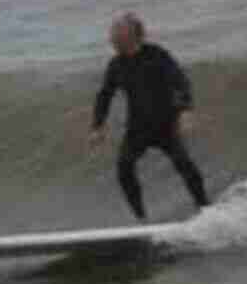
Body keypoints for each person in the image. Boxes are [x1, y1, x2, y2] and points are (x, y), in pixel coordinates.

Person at [89, 12, 209, 221]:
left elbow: (179, 81)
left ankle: (205, 209)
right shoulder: (116, 65)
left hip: (165, 125)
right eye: (112, 36)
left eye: (117, 36)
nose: (112, 40)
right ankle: (141, 219)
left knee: (185, 165)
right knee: (124, 168)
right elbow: (104, 95)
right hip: (137, 129)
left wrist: (185, 110)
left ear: (134, 37)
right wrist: (98, 126)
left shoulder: (157, 55)